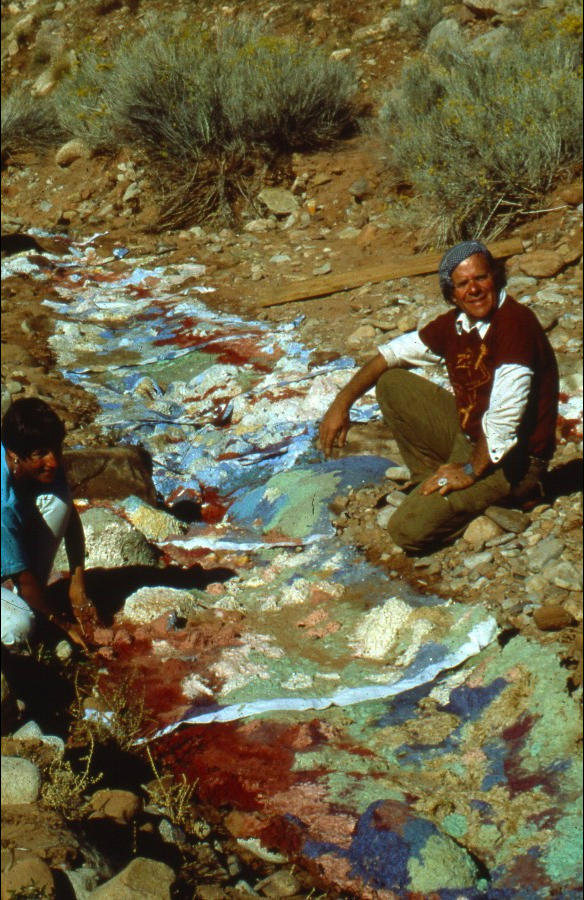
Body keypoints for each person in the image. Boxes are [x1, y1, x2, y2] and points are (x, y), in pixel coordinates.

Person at [318, 240, 559, 553]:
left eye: (480, 278)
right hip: (473, 439)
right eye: (462, 283)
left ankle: (496, 504)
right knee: (393, 382)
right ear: (451, 293)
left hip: (514, 462)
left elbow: (505, 419)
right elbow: (391, 354)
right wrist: (341, 404)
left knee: (405, 531)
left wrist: (469, 471)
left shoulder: (515, 325)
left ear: (496, 278)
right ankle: (432, 483)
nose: (473, 289)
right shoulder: (457, 325)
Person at [1, 398, 96, 648]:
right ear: (14, 455)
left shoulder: (43, 460)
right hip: (13, 560)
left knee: (59, 499)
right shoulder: (2, 501)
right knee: (18, 626)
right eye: (40, 454)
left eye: (56, 448)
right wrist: (63, 624)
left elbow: (70, 519)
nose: (53, 461)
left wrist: (78, 584)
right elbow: (21, 576)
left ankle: (34, 603)